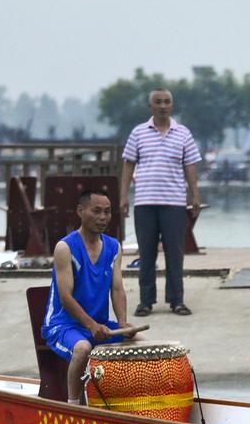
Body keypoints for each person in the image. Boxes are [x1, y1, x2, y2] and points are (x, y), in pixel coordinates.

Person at [42, 190, 136, 404]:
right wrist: (92, 325)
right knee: (83, 348)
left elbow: (117, 289)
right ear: (80, 211)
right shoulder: (65, 247)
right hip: (62, 325)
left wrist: (122, 323)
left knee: (142, 342)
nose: (103, 217)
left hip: (98, 325)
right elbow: (66, 297)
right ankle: (73, 407)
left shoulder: (114, 247)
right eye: (96, 211)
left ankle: (132, 402)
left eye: (107, 212)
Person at [120, 88, 202, 317]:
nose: (163, 106)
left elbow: (191, 166)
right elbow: (128, 164)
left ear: (172, 106)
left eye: (167, 102)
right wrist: (123, 196)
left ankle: (177, 300)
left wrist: (195, 195)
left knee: (175, 254)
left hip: (173, 203)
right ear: (151, 107)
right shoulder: (138, 133)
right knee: (146, 254)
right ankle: (146, 301)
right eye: (158, 102)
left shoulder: (183, 134)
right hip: (145, 202)